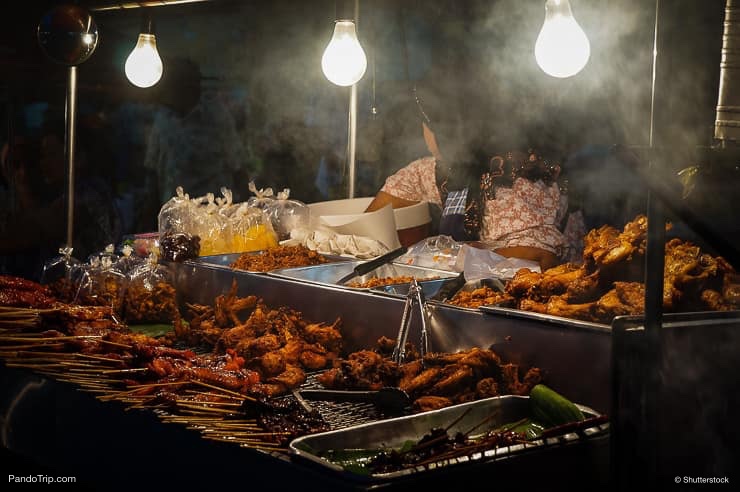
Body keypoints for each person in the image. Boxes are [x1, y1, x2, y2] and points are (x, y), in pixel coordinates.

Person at [366, 84, 580, 271]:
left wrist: (452, 257)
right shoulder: (433, 170)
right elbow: (368, 223)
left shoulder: (524, 178)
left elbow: (541, 257)